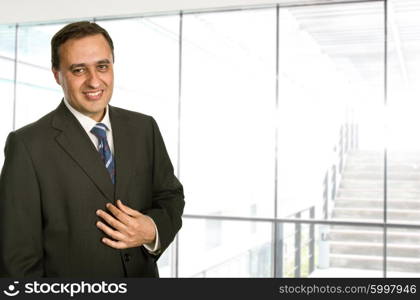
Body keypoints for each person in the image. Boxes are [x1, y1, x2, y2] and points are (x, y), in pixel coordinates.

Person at [0, 21, 184, 277]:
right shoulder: (27, 145)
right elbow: (18, 259)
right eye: (78, 70)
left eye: (102, 66)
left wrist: (152, 229)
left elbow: (170, 196)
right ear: (56, 74)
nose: (94, 81)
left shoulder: (144, 128)